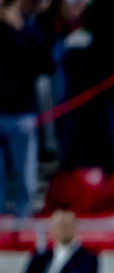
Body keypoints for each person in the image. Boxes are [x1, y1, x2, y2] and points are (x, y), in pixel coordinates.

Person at [0, 0, 52, 217]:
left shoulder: (30, 32)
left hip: (23, 114)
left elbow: (43, 64)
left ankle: (24, 224)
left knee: (26, 180)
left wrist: (19, 30)